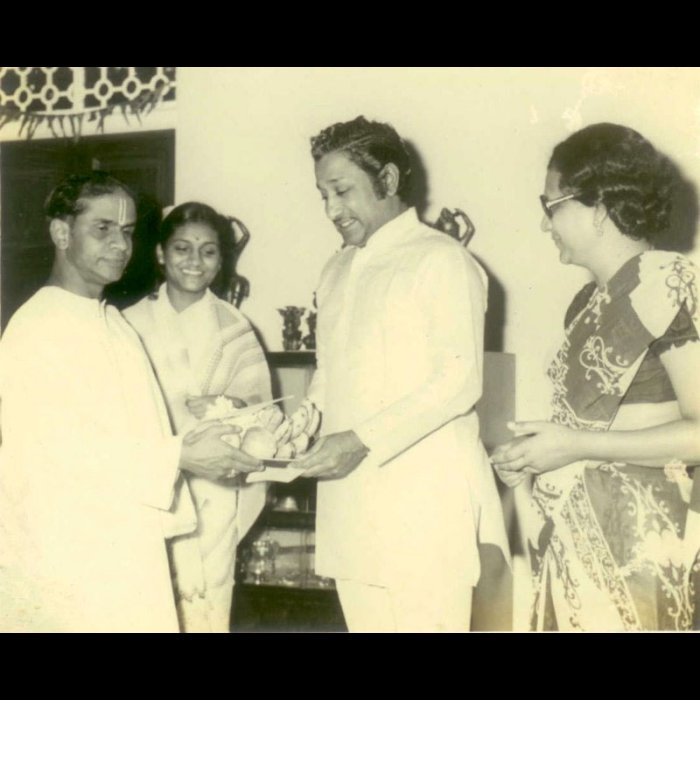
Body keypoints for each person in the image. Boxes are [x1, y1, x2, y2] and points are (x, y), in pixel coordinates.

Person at [0, 173, 262, 633]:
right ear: (61, 232)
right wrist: (181, 455)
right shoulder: (39, 327)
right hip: (64, 560)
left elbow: (138, 434)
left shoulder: (114, 325)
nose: (120, 245)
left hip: (123, 549)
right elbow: (58, 454)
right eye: (102, 228)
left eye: (126, 231)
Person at [294, 116, 509, 632]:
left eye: (342, 191)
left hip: (424, 510)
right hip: (352, 511)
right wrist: (304, 421)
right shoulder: (335, 269)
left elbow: (459, 381)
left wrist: (359, 440)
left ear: (387, 180)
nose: (331, 210)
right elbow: (330, 370)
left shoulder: (442, 260)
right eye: (323, 195)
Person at [491, 123, 700, 631]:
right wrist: (536, 455)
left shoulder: (670, 284)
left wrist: (574, 445)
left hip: (644, 543)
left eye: (552, 206)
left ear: (600, 208)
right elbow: (592, 430)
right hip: (575, 534)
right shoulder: (586, 303)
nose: (545, 223)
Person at [124, 202, 272, 632]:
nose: (195, 261)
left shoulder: (234, 327)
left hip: (213, 492)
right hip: (150, 488)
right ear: (160, 253)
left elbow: (263, 414)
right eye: (182, 248)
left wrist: (230, 406)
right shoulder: (126, 324)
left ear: (221, 259)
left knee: (206, 607)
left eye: (208, 251)